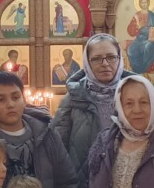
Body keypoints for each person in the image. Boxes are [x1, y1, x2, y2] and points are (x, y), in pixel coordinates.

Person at [52, 33, 135, 179]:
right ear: (87, 63)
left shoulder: (135, 94)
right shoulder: (73, 98)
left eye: (111, 57)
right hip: (84, 185)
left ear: (120, 59)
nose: (105, 64)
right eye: (96, 59)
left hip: (129, 182)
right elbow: (56, 149)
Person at [126, 0, 154, 76]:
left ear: (148, 3)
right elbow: (130, 30)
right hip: (139, 39)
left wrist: (151, 31)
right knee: (130, 50)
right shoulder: (137, 15)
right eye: (142, 2)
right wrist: (137, 27)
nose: (144, 4)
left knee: (148, 48)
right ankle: (137, 70)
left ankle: (144, 69)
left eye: (145, 2)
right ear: (140, 4)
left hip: (149, 39)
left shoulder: (151, 15)